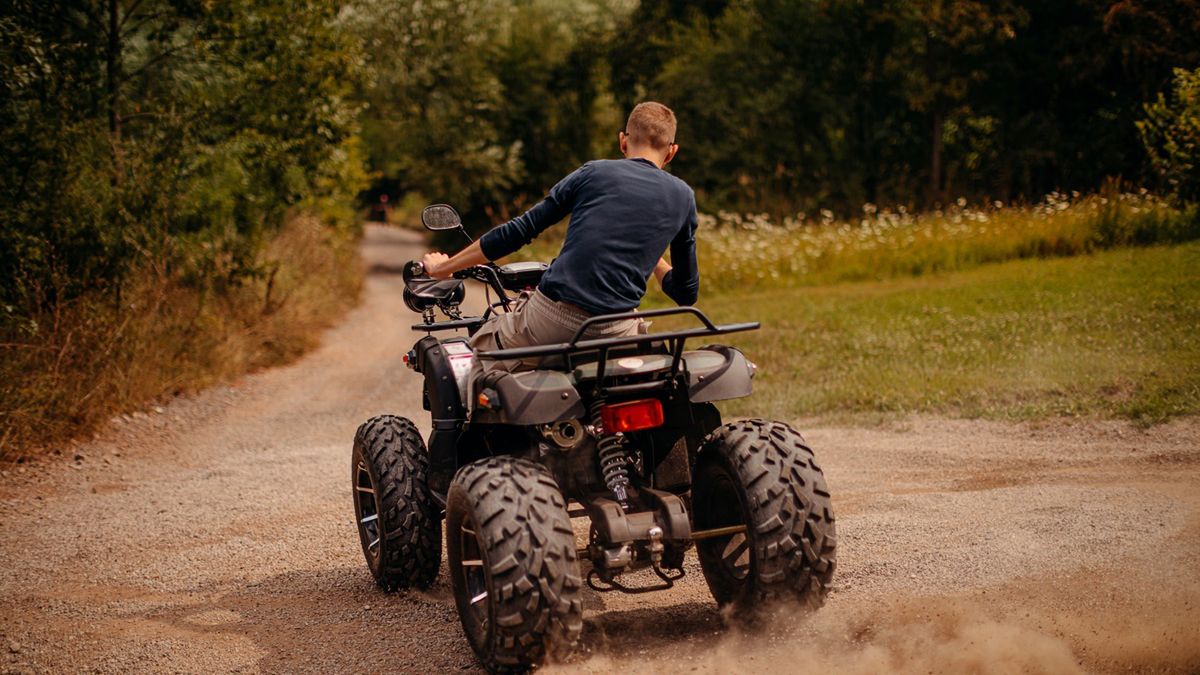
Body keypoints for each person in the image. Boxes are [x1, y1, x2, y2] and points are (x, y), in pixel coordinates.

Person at [421, 101, 700, 371]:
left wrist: (443, 268)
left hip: (555, 321)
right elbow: (686, 294)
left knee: (479, 354)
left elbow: (519, 231)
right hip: (618, 330)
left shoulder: (594, 173)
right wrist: (652, 257)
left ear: (623, 141)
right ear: (671, 151)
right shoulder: (683, 196)